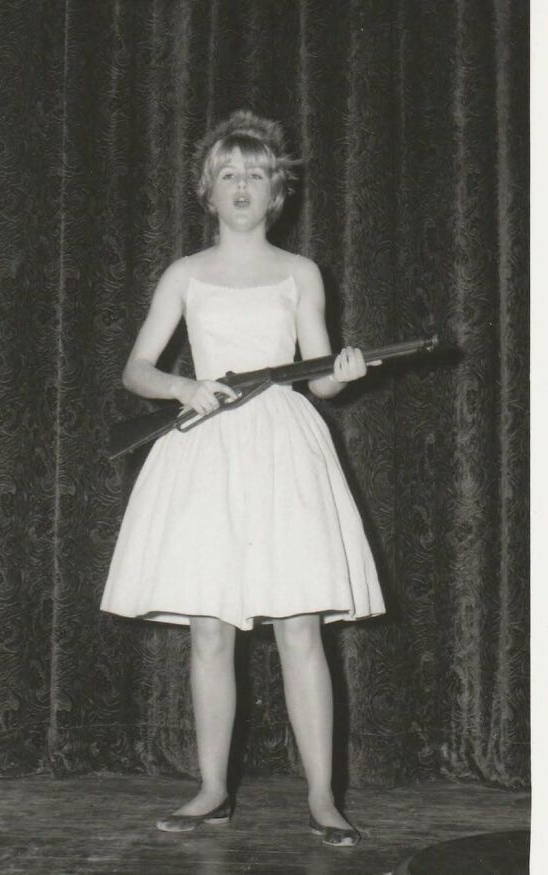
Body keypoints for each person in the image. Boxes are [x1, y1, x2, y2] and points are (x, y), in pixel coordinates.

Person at [100, 110, 385, 848]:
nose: (241, 185)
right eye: (229, 173)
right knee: (209, 627)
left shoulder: (300, 274)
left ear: (276, 191)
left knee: (299, 627)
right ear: (207, 187)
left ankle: (323, 796)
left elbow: (320, 381)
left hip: (284, 452)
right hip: (204, 452)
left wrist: (342, 372)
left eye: (256, 174)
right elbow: (136, 369)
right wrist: (182, 389)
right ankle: (213, 789)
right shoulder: (185, 275)